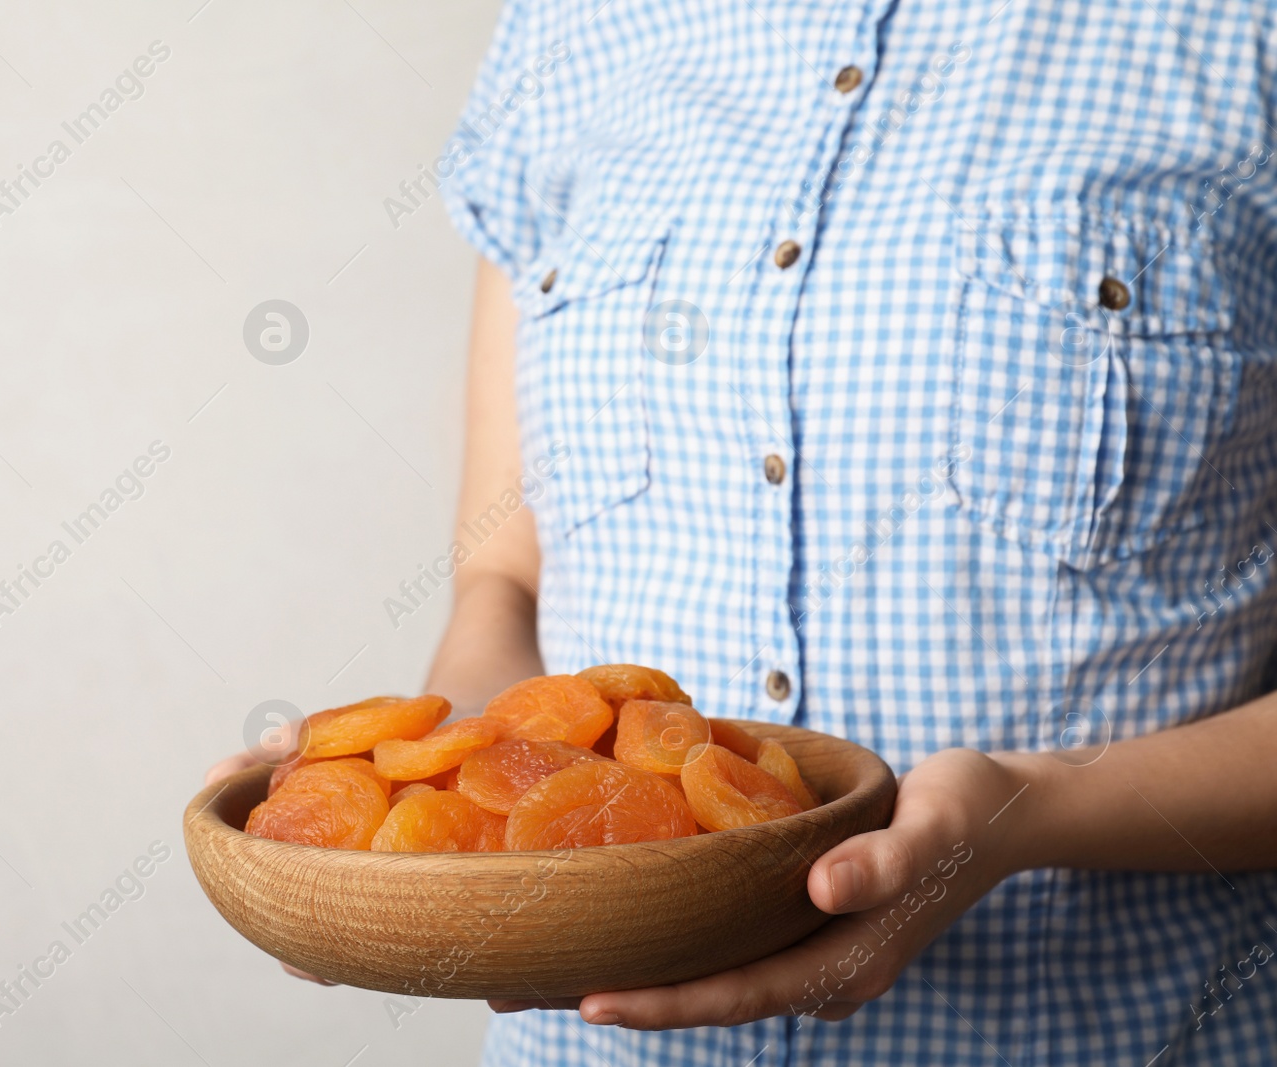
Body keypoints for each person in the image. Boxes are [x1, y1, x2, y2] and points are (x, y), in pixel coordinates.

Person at [210, 0, 1277, 1062]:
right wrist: (450, 777)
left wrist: (1025, 811)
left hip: (1109, 1031)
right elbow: (505, 574)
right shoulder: (566, 25)